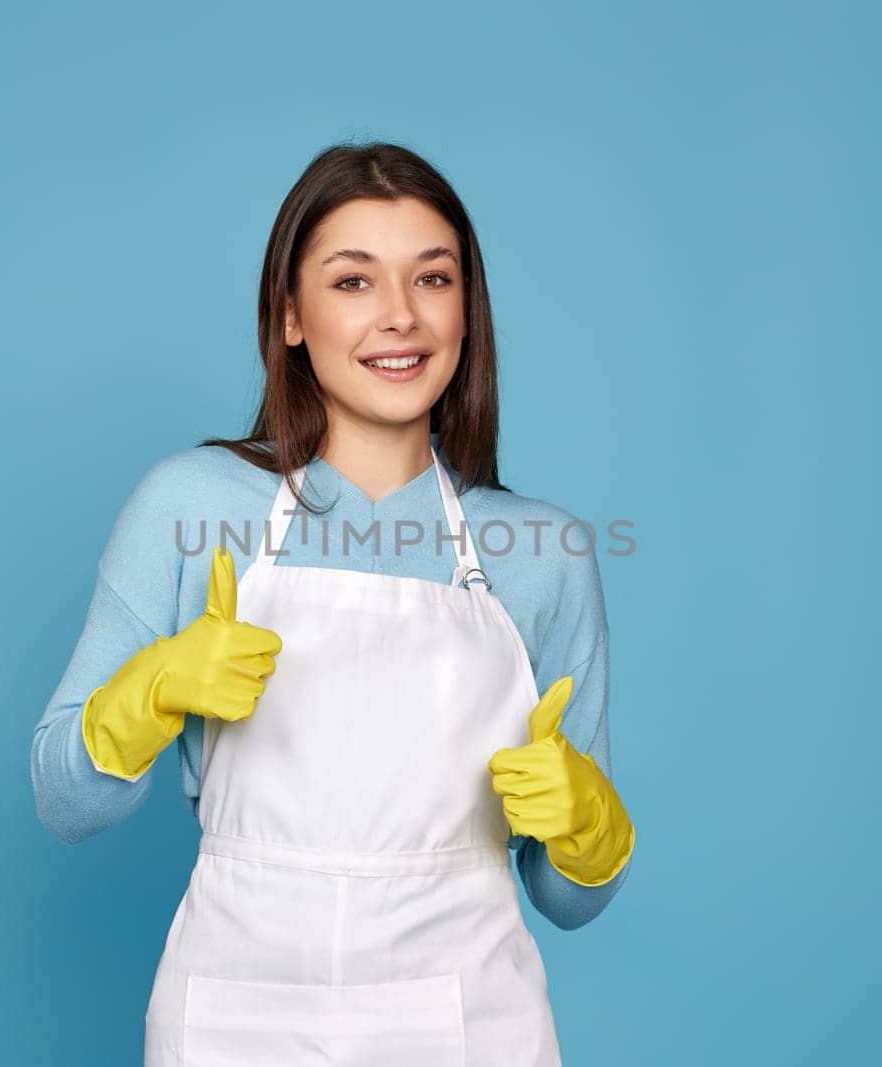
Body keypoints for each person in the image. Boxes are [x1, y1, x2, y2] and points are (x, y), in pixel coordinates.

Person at [31, 142, 636, 1066]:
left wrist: (588, 825)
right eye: (353, 281)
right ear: (290, 316)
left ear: (466, 313)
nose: (400, 316)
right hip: (237, 1016)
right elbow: (65, 802)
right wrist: (146, 695)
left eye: (432, 278)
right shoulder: (193, 508)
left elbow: (568, 901)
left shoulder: (544, 554)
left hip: (467, 1019)